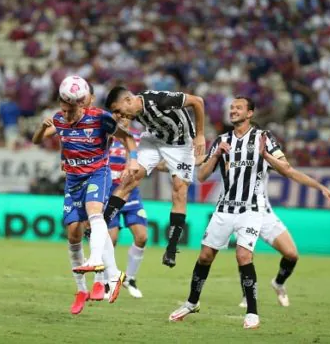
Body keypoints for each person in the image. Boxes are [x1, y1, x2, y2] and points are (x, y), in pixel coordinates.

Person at [168, 96, 294, 329]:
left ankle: (252, 313)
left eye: (239, 108)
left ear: (250, 113)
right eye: (232, 108)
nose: (233, 111)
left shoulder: (263, 138)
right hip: (225, 208)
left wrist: (265, 155)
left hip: (251, 209)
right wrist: (216, 154)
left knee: (243, 256)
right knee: (205, 256)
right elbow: (202, 176)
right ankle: (191, 302)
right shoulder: (222, 140)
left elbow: (285, 167)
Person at [32, 76, 139, 314]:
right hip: (73, 180)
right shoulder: (59, 119)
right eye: (63, 107)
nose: (66, 113)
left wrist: (133, 160)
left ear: (82, 104)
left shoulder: (100, 118)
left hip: (98, 174)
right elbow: (37, 139)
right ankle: (83, 289)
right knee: (73, 233)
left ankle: (99, 270)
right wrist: (41, 127)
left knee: (94, 213)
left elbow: (127, 138)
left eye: (71, 109)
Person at [103, 87, 206, 268]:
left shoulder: (159, 100)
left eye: (118, 110)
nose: (119, 115)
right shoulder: (132, 113)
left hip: (180, 144)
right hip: (153, 139)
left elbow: (197, 101)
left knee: (179, 191)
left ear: (128, 100)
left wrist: (200, 136)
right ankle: (101, 227)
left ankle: (172, 248)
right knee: (130, 180)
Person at [238, 141, 330, 308]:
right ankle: (247, 295)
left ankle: (279, 283)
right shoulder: (231, 152)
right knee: (245, 255)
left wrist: (318, 186)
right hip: (241, 214)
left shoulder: (264, 158)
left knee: (291, 254)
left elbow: (290, 172)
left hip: (264, 214)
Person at [91, 115, 148, 300]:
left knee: (142, 236)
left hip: (131, 193)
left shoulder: (138, 138)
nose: (122, 118)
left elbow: (149, 161)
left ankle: (130, 279)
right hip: (110, 192)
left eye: (125, 116)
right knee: (112, 238)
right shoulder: (105, 136)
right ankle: (109, 281)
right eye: (118, 115)